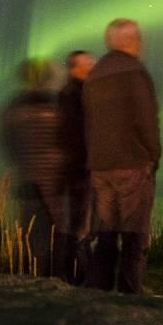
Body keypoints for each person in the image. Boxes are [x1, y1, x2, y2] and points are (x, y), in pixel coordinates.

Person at [82, 18, 160, 294]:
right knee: (133, 235)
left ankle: (101, 290)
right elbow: (146, 120)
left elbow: (88, 122)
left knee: (106, 233)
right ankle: (130, 294)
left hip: (100, 166)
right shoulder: (134, 72)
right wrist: (153, 155)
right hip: (131, 164)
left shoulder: (94, 75)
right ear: (133, 41)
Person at [0, 58, 69, 277]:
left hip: (27, 181)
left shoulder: (12, 110)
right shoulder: (57, 108)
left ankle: (28, 278)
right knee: (58, 235)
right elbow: (68, 142)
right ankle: (57, 281)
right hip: (56, 182)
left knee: (30, 235)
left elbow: (8, 143)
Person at [56, 49, 96, 284]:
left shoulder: (67, 94)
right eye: (87, 64)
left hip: (75, 168)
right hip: (81, 168)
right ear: (74, 68)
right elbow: (78, 135)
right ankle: (81, 277)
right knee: (82, 226)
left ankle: (71, 274)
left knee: (76, 224)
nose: (92, 66)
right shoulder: (78, 95)